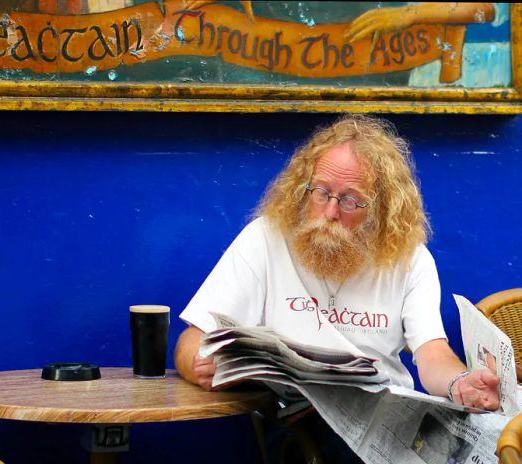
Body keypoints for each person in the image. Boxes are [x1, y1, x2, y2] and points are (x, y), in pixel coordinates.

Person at [173, 114, 500, 459]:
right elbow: (192, 339)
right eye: (321, 192)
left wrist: (459, 384)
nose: (329, 212)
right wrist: (196, 365)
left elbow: (432, 354)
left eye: (349, 201)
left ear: (381, 208)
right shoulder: (265, 238)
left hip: (385, 420)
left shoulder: (410, 259)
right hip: (300, 423)